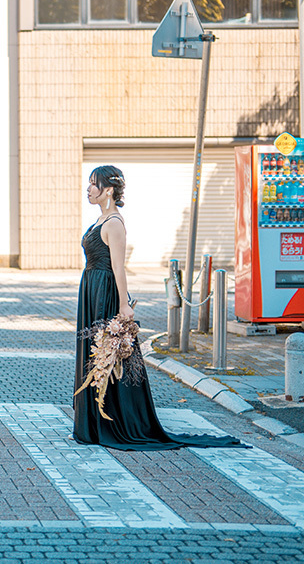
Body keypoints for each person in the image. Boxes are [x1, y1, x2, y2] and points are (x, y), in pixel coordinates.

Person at [73, 165, 242, 450]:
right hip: (91, 288)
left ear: (109, 190)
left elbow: (118, 267)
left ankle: (107, 424)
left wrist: (123, 304)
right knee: (95, 353)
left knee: (107, 356)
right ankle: (90, 425)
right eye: (89, 183)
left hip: (104, 293)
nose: (88, 189)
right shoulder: (100, 220)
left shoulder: (113, 223)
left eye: (93, 184)